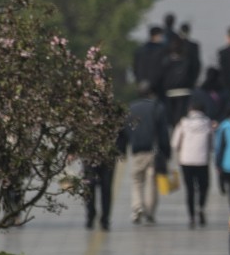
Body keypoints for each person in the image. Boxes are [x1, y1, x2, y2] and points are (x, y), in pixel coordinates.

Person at [119, 83, 170, 225]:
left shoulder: (130, 108)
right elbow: (163, 133)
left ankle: (137, 207)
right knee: (151, 181)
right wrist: (166, 151)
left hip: (136, 151)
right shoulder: (157, 107)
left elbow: (122, 131)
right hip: (154, 151)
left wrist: (121, 150)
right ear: (151, 93)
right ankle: (150, 212)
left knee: (136, 180)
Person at [171, 98, 213, 228]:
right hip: (202, 160)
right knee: (203, 187)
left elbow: (174, 143)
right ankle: (200, 207)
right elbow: (213, 144)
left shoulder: (183, 123)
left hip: (186, 161)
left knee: (189, 190)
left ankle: (191, 217)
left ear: (190, 110)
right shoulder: (208, 123)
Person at [160, 37, 194, 128]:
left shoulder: (166, 62)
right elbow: (193, 75)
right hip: (185, 91)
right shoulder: (187, 61)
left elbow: (161, 76)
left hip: (170, 92)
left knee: (172, 119)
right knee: (182, 118)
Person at [84, 151, 115, 231]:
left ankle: (105, 219)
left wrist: (121, 149)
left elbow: (121, 138)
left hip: (108, 157)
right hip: (89, 156)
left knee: (106, 187)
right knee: (89, 186)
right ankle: (90, 215)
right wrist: (72, 150)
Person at [133, 26, 166, 94]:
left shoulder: (141, 50)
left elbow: (137, 67)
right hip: (158, 84)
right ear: (156, 36)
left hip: (144, 83)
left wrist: (139, 81)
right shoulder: (162, 50)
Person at [178, 22, 202, 88]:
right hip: (190, 79)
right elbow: (197, 64)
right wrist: (195, 78)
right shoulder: (194, 46)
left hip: (177, 80)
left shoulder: (176, 45)